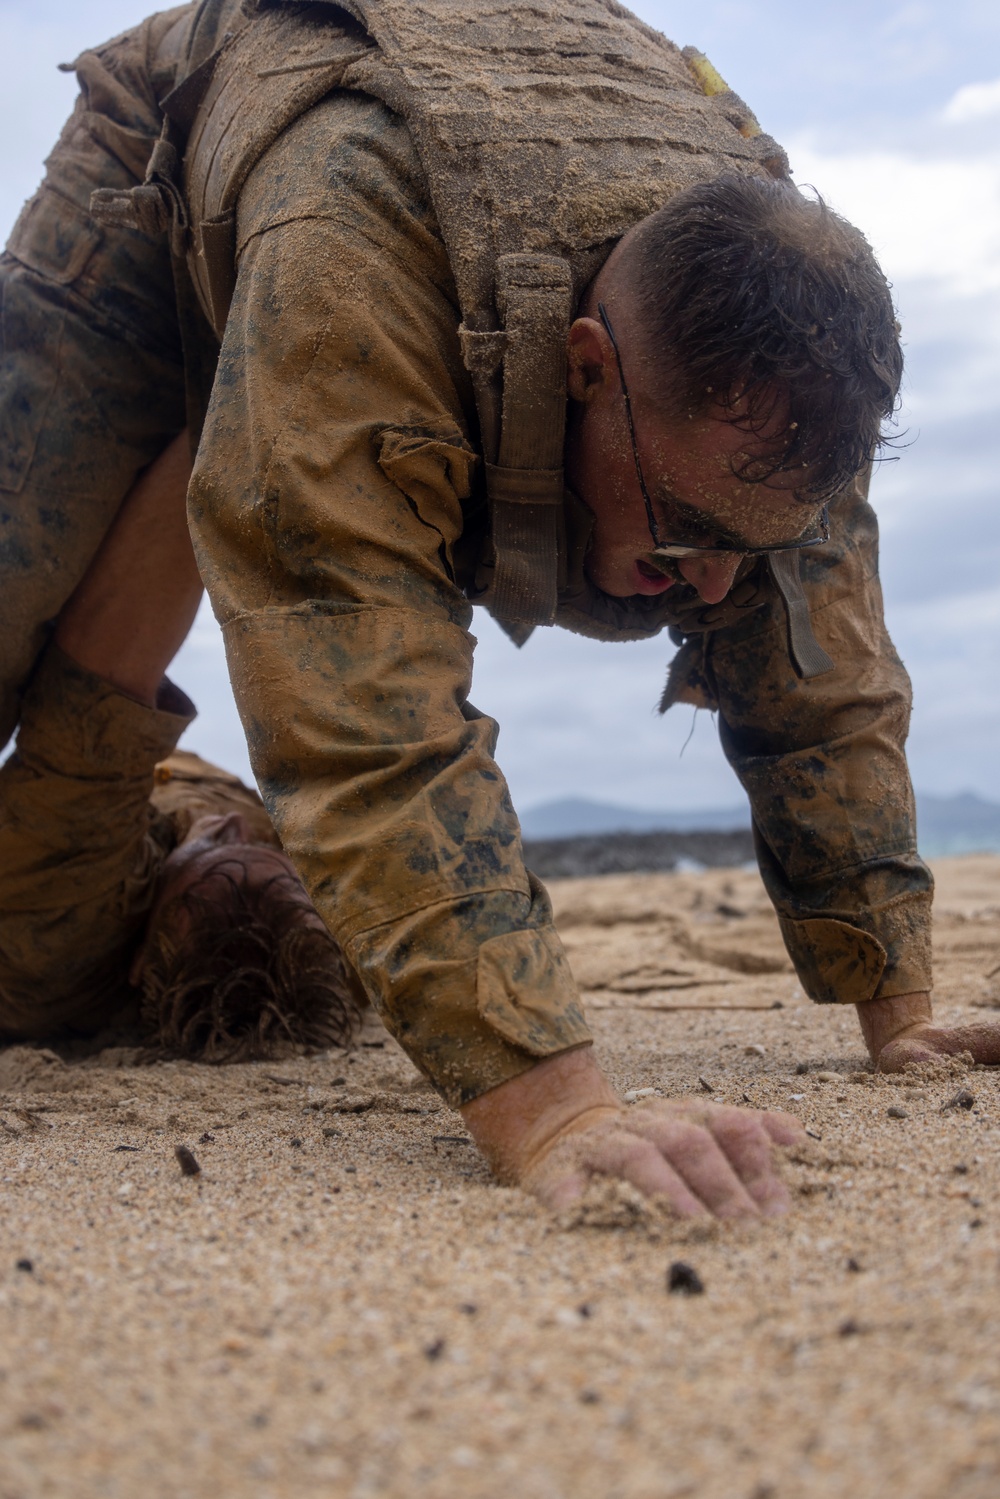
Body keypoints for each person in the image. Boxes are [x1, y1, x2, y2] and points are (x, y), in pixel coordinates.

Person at [3, 0, 997, 1219]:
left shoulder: (769, 377)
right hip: (197, 153)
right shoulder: (354, 249)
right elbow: (363, 696)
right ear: (585, 366)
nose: (718, 586)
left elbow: (824, 675)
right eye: (688, 532)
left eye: (758, 545)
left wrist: (896, 1005)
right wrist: (552, 1108)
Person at [0, 435, 361, 1061]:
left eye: (215, 848)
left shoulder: (54, 938)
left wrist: (224, 417)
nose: (226, 826)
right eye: (253, 845)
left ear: (139, 959)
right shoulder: (343, 941)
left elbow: (103, 680)